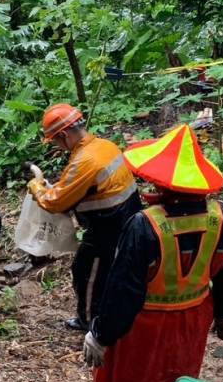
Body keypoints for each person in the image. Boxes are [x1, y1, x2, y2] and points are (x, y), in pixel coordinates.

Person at [82, 123, 223, 382]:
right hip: (192, 316)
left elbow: (122, 289)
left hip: (142, 322)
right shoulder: (222, 218)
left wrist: (101, 334)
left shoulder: (145, 225)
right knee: (176, 380)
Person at [29, 104, 140, 331]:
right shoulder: (104, 146)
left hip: (107, 227)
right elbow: (80, 187)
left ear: (63, 135)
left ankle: (90, 321)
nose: (57, 147)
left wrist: (37, 187)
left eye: (55, 141)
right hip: (129, 216)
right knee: (113, 271)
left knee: (86, 272)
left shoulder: (85, 161)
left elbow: (54, 202)